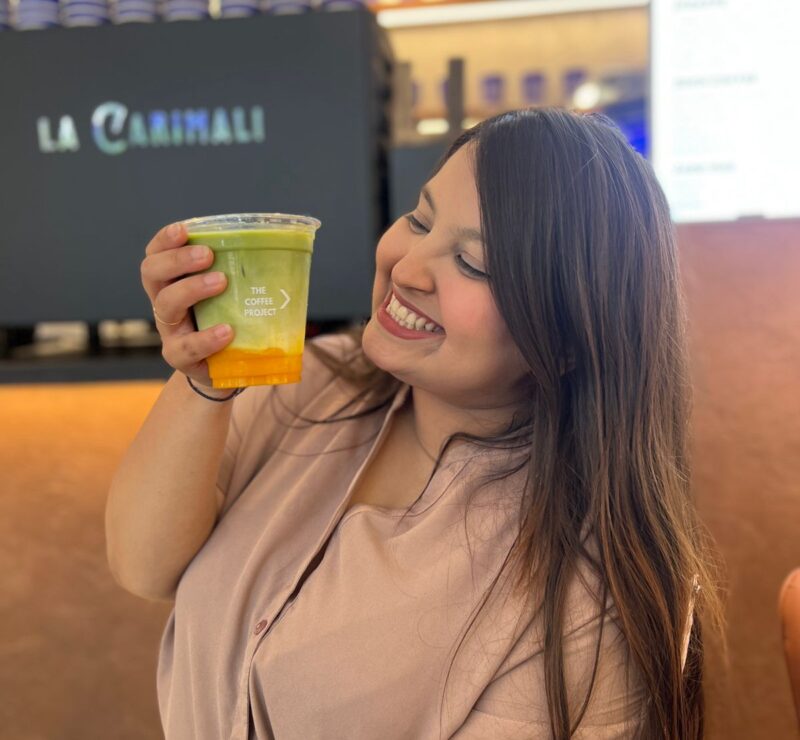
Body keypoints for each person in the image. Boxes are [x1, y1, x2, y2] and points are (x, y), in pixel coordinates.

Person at [106, 107, 722, 739]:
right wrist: (203, 382)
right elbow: (144, 567)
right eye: (420, 220)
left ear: (568, 339)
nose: (405, 267)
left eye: (473, 262)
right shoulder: (313, 380)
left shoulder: (586, 605)